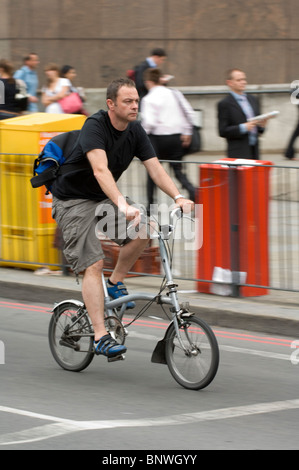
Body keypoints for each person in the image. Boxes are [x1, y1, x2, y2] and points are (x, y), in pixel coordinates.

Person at [51, 77, 194, 359]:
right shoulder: (95, 126)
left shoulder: (135, 130)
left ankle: (115, 283)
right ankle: (101, 336)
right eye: (127, 101)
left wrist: (178, 197)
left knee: (145, 229)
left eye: (137, 101)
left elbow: (155, 168)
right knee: (93, 263)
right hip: (73, 200)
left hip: (103, 198)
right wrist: (122, 204)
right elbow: (101, 171)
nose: (134, 106)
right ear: (111, 104)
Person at [140, 68, 196, 208]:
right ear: (160, 79)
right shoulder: (175, 93)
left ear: (148, 82)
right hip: (176, 138)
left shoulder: (148, 99)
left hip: (157, 140)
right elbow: (189, 112)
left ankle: (150, 205)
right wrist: (187, 131)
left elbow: (149, 123)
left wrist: (141, 136)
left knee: (153, 172)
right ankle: (192, 191)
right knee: (178, 170)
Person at [217, 68, 268, 159]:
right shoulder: (225, 104)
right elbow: (222, 130)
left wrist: (262, 126)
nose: (243, 82)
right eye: (239, 80)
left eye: (244, 79)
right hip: (238, 152)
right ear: (230, 83)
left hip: (254, 149)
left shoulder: (252, 99)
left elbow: (258, 128)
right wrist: (243, 127)